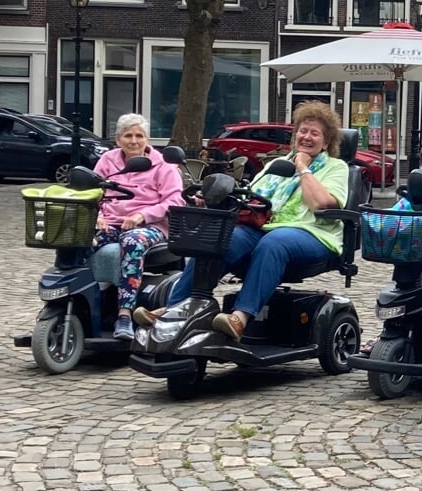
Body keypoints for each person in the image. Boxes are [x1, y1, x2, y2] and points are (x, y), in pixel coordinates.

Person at [136, 102, 349, 339]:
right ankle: (175, 308)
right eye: (303, 131)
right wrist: (210, 200)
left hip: (312, 232)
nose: (306, 137)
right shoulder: (277, 165)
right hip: (265, 227)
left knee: (275, 243)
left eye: (314, 133)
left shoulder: (335, 167)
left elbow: (319, 203)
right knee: (221, 237)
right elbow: (250, 197)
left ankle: (241, 317)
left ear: (327, 142)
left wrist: (302, 166)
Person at [92, 114, 185, 340]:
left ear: (147, 139)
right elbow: (93, 192)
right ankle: (85, 300)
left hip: (151, 225)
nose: (134, 141)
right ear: (118, 139)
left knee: (132, 241)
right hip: (112, 222)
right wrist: (96, 216)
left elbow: (175, 201)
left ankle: (125, 314)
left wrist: (143, 214)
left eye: (139, 136)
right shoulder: (107, 161)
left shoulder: (163, 165)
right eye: (128, 136)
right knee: (80, 239)